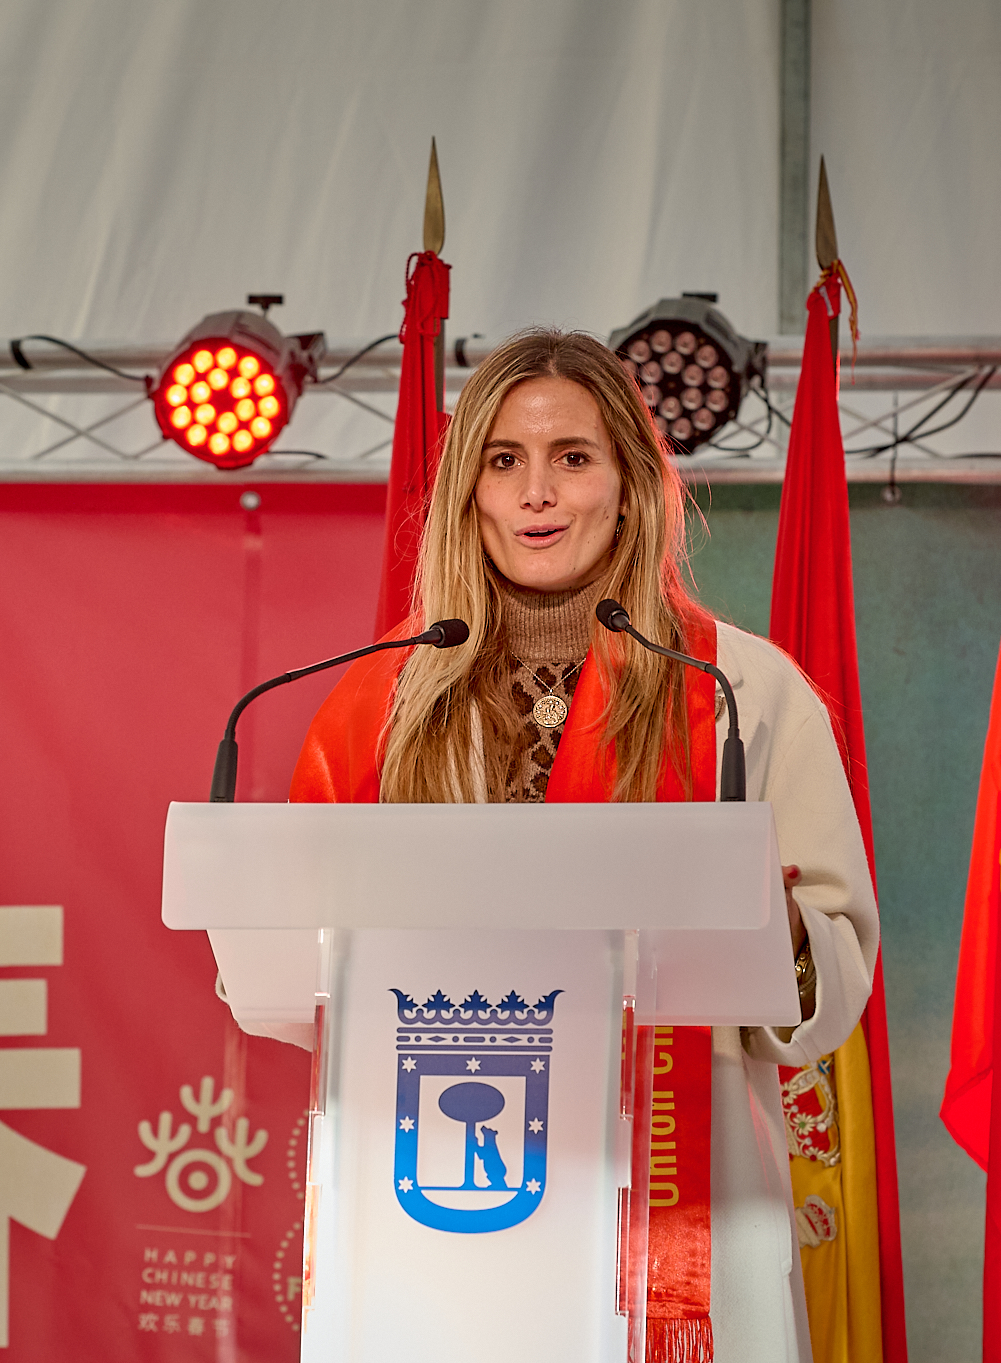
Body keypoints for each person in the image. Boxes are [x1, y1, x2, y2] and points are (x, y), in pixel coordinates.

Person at [290, 329, 877, 1362]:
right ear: (467, 491)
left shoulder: (740, 691)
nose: (537, 493)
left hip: (681, 1192)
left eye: (572, 457)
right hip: (437, 1197)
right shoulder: (381, 700)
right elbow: (297, 952)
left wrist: (772, 918)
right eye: (503, 459)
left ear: (629, 485)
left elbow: (832, 978)